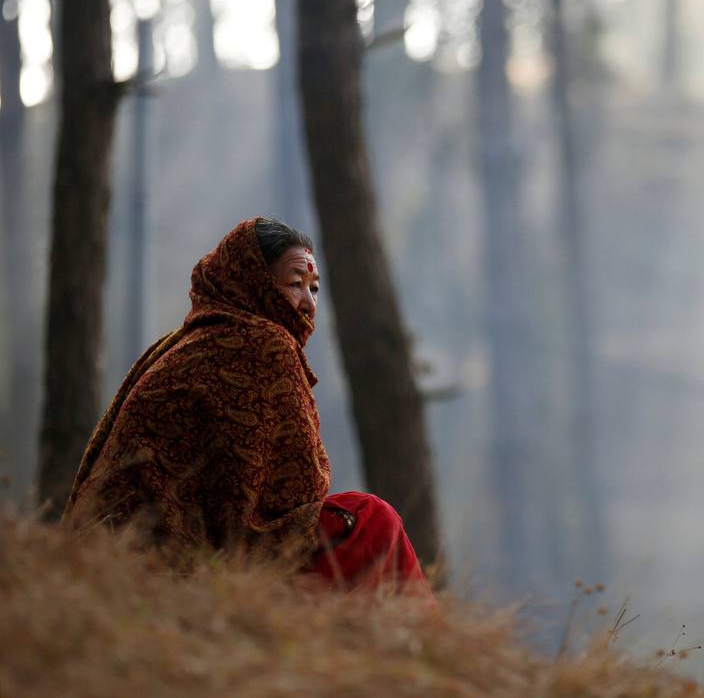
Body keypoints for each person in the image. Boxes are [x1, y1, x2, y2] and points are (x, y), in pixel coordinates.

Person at [63, 217, 431, 595]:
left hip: (117, 562)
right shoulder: (266, 344)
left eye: (314, 288)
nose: (307, 303)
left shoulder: (184, 341)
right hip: (175, 575)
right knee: (372, 519)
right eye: (294, 285)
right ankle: (423, 647)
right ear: (254, 281)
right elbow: (297, 495)